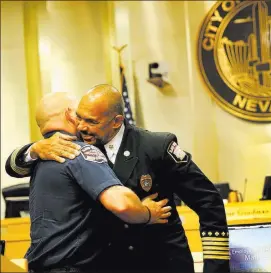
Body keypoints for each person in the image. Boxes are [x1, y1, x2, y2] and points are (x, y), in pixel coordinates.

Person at [5, 84, 230, 273]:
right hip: (111, 265)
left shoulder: (155, 147)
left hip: (161, 263)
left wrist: (216, 267)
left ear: (116, 121)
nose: (82, 127)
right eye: (79, 118)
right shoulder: (79, 148)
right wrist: (34, 148)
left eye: (91, 121)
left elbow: (209, 203)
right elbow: (15, 167)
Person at [18, 92, 171, 273]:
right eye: (80, 115)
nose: (83, 123)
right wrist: (147, 213)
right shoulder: (77, 152)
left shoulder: (38, 157)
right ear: (69, 115)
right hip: (73, 267)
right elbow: (121, 204)